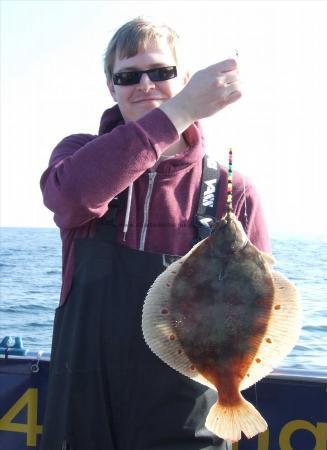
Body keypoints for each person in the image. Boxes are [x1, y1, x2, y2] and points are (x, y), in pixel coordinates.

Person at [40, 16, 270, 450]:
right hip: (83, 414)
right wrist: (180, 109)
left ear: (185, 77)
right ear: (112, 88)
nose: (145, 84)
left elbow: (263, 304)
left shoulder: (233, 189)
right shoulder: (78, 156)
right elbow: (72, 197)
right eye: (128, 76)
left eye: (161, 72)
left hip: (189, 421)